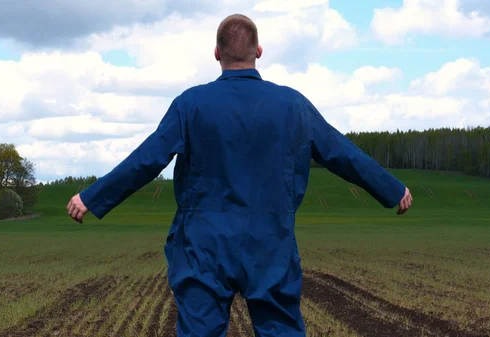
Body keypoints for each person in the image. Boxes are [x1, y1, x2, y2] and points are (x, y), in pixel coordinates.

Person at [67, 13, 413, 337]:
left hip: (203, 246)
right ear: (258, 51)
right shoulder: (292, 105)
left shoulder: (191, 104)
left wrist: (91, 197)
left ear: (216, 53)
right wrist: (391, 189)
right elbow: (342, 153)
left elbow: (147, 159)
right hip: (270, 245)